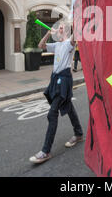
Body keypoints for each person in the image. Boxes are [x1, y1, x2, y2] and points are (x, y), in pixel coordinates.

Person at [29, 22, 83, 164]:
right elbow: (41, 46)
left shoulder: (68, 44)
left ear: (65, 31)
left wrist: (76, 21)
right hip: (55, 79)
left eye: (61, 28)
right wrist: (48, 33)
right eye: (58, 28)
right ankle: (78, 133)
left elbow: (75, 36)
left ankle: (45, 151)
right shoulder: (56, 45)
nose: (58, 29)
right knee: (69, 106)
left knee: (52, 113)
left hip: (64, 80)